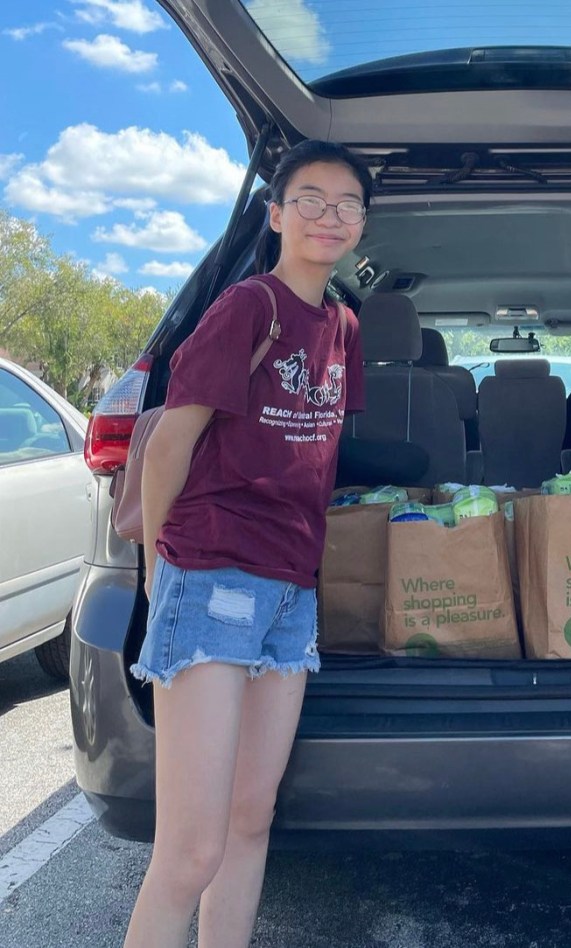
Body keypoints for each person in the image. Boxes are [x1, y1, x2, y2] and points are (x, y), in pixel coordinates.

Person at [123, 140, 370, 948]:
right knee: (189, 853)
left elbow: (317, 453)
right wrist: (159, 570)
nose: (329, 215)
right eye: (311, 199)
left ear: (362, 224)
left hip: (291, 590)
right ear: (275, 214)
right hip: (212, 573)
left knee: (249, 820)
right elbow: (169, 444)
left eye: (347, 203)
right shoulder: (248, 307)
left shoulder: (343, 326)